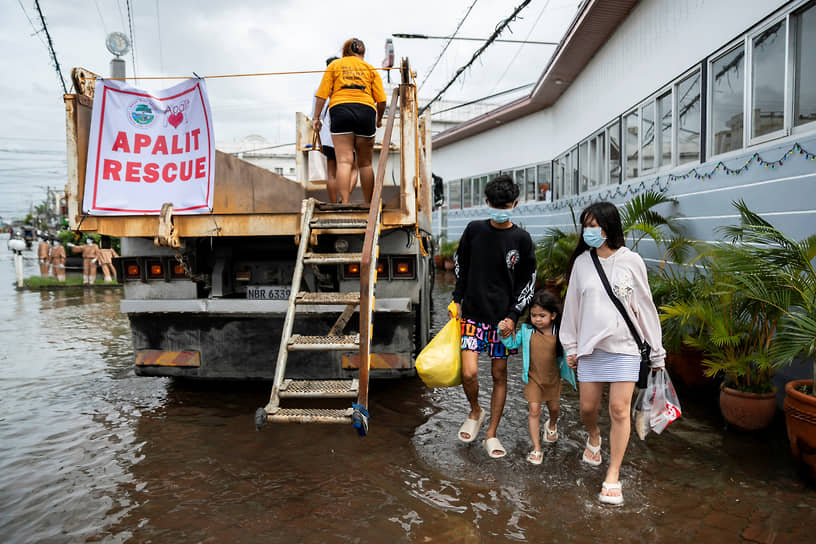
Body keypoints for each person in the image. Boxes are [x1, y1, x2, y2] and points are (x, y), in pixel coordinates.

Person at [560, 201, 665, 506]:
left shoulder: (631, 261)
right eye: (586, 226)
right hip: (592, 348)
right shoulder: (582, 263)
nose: (589, 231)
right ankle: (594, 436)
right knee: (587, 409)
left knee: (619, 410)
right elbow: (572, 309)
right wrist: (572, 346)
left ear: (609, 227)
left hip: (625, 348)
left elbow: (644, 306)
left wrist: (656, 350)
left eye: (595, 225)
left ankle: (613, 474)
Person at [450, 174, 536, 458]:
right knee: (469, 372)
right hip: (473, 315)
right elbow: (461, 264)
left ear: (516, 204)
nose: (501, 209)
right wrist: (456, 300)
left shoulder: (521, 239)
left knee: (499, 374)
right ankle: (476, 410)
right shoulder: (474, 230)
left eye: (506, 205)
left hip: (503, 321)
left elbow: (528, 282)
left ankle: (491, 433)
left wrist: (514, 316)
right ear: (486, 203)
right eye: (496, 205)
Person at [313, 38, 387, 204]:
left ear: (344, 51)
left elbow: (321, 95)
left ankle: (344, 203)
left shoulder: (335, 66)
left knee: (344, 161)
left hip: (340, 110)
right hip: (366, 110)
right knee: (365, 164)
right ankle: (369, 204)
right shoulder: (370, 69)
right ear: (363, 52)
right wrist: (379, 119)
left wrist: (316, 118)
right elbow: (381, 100)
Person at [501, 289, 564, 465]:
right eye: (534, 315)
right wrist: (504, 332)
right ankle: (536, 448)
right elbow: (512, 343)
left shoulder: (561, 331)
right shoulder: (527, 330)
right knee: (534, 410)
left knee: (554, 409)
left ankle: (551, 424)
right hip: (533, 379)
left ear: (553, 315)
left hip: (553, 379)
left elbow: (570, 351)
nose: (537, 319)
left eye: (542, 315)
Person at [312, 56, 359, 204]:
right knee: (354, 168)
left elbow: (315, 115)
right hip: (346, 135)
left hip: (327, 136)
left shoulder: (320, 88)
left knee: (331, 172)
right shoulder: (348, 86)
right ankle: (344, 201)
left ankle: (333, 204)